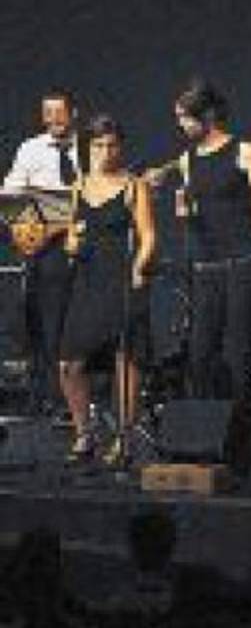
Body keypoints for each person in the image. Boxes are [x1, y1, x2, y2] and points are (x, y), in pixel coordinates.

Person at [152, 77, 251, 476]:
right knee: (200, 356)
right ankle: (208, 442)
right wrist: (177, 204)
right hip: (206, 266)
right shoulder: (187, 159)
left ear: (208, 115)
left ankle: (245, 451)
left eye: (185, 118)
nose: (181, 125)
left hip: (243, 262)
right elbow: (178, 190)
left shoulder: (243, 151)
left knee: (240, 357)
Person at [58, 114, 156, 466]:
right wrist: (71, 242)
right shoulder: (78, 186)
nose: (105, 152)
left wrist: (139, 266)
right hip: (88, 280)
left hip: (121, 280)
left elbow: (149, 236)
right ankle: (84, 433)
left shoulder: (133, 186)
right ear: (88, 147)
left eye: (111, 145)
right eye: (98, 145)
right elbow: (72, 235)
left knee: (125, 358)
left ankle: (124, 437)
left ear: (120, 147)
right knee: (70, 363)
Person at [2, 88, 81, 418]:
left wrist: (65, 210)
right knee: (47, 323)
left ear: (73, 113)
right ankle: (51, 397)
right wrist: (33, 231)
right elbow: (9, 196)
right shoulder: (30, 149)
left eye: (59, 112)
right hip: (47, 249)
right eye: (47, 113)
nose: (53, 119)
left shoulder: (91, 146)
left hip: (87, 244)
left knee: (77, 324)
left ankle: (79, 398)